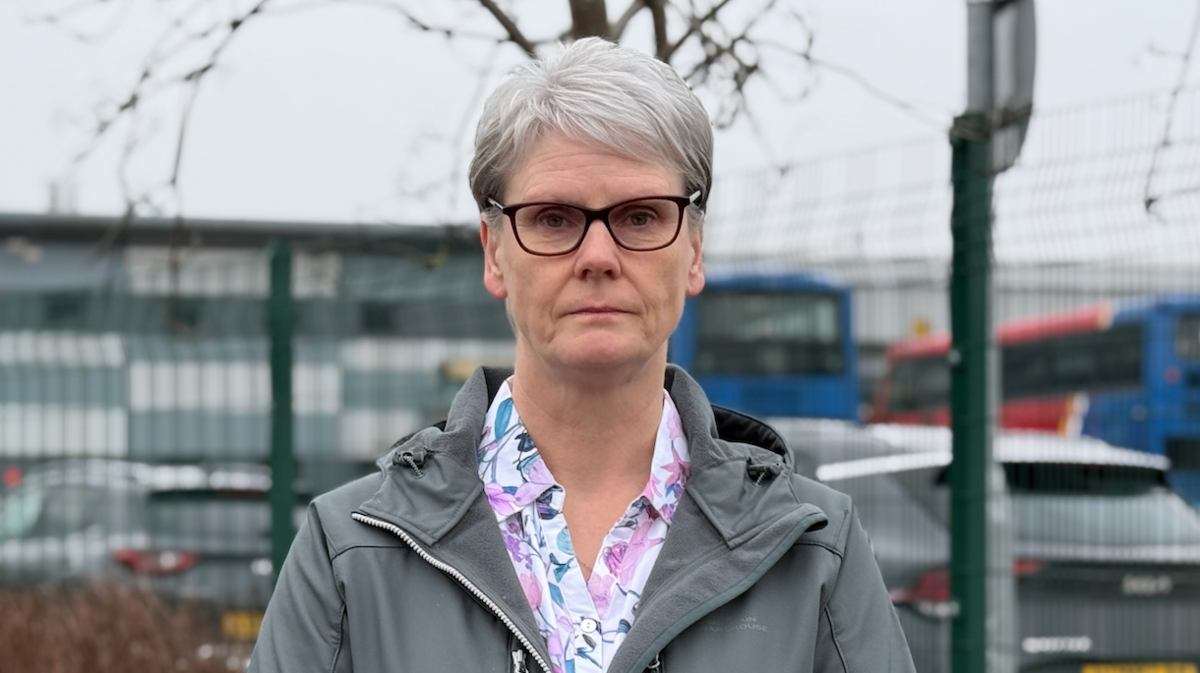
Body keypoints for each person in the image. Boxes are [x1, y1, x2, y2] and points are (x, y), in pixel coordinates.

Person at [250, 37, 915, 673]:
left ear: (696, 249)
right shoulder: (351, 549)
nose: (598, 257)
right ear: (493, 251)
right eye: (554, 218)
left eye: (640, 216)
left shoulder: (812, 550)